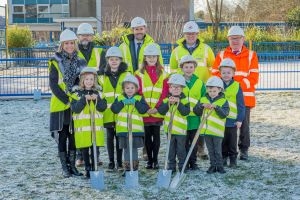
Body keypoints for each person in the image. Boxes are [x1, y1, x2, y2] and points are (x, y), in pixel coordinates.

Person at [211, 26, 259, 160]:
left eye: (238, 38)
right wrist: (229, 84)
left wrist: (234, 84)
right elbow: (214, 74)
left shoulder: (251, 55)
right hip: (224, 99)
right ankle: (225, 151)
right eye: (232, 39)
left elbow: (253, 78)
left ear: (243, 39)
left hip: (244, 99)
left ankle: (244, 150)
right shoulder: (221, 55)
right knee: (226, 127)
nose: (235, 41)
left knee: (244, 126)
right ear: (228, 39)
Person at [49, 29, 86, 178]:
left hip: (75, 103)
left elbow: (83, 80)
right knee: (63, 136)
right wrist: (67, 100)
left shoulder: (80, 60)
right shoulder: (55, 61)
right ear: (62, 45)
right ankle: (65, 168)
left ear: (75, 44)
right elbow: (53, 85)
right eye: (67, 43)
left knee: (74, 136)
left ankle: (73, 167)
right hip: (60, 104)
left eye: (72, 43)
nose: (70, 46)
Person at [76, 23, 107, 166]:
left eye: (88, 35)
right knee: (80, 125)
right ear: (78, 36)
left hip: (95, 90)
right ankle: (80, 156)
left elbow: (102, 70)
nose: (85, 37)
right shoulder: (74, 52)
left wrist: (89, 74)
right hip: (80, 90)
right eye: (82, 35)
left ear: (92, 36)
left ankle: (97, 155)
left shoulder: (99, 52)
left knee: (95, 125)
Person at [135, 43, 169, 169]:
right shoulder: (138, 74)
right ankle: (149, 160)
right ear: (144, 58)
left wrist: (157, 108)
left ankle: (156, 160)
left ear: (157, 57)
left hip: (157, 112)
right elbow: (137, 92)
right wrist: (146, 108)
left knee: (157, 137)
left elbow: (165, 93)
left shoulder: (164, 74)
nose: (151, 59)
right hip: (145, 112)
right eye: (149, 56)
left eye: (154, 56)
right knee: (147, 138)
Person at [98, 46, 131, 171]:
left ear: (121, 60)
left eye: (116, 59)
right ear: (107, 60)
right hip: (107, 112)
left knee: (119, 138)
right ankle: (111, 162)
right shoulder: (102, 76)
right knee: (110, 138)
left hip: (121, 112)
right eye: (111, 59)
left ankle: (119, 162)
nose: (114, 61)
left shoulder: (127, 75)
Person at [70, 67, 107, 178]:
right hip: (83, 129)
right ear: (82, 80)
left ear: (94, 80)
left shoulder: (99, 93)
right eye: (86, 79)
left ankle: (95, 166)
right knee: (85, 150)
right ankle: (87, 168)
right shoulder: (77, 94)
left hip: (95, 129)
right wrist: (84, 99)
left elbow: (103, 107)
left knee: (95, 149)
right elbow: (75, 109)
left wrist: (97, 100)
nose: (89, 82)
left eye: (91, 79)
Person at [111, 75, 149, 175]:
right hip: (123, 130)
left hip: (135, 130)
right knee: (126, 149)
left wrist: (135, 103)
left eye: (132, 88)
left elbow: (144, 110)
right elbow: (114, 109)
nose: (130, 90)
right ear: (123, 88)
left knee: (134, 149)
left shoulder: (139, 98)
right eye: (127, 88)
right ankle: (127, 169)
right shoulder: (119, 98)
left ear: (136, 88)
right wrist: (123, 103)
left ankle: (135, 169)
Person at [193, 76, 229, 174]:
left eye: (214, 91)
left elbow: (224, 114)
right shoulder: (203, 99)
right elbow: (196, 111)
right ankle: (212, 166)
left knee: (217, 150)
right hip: (206, 131)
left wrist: (216, 107)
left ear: (220, 90)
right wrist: (201, 106)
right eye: (210, 91)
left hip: (217, 131)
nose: (212, 93)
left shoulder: (223, 101)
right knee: (210, 150)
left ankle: (220, 166)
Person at [157, 74, 190, 173]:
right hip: (169, 130)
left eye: (178, 87)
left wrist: (178, 103)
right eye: (173, 87)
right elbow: (161, 112)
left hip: (180, 131)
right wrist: (169, 104)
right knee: (170, 150)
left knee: (181, 150)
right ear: (170, 88)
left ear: (182, 88)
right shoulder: (166, 100)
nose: (175, 89)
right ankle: (171, 166)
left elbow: (185, 112)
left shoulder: (185, 100)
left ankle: (182, 167)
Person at [180, 55, 206, 170]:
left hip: (195, 117)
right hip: (183, 118)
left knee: (194, 142)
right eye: (186, 67)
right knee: (184, 142)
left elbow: (204, 97)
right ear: (182, 68)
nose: (189, 69)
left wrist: (200, 108)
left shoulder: (199, 82)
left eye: (191, 67)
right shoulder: (178, 81)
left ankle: (193, 162)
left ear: (194, 68)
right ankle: (184, 162)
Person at [218, 58, 245, 168]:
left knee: (232, 142)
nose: (226, 75)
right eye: (223, 72)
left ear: (233, 73)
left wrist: (239, 119)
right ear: (220, 73)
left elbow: (241, 105)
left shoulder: (237, 86)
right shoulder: (217, 85)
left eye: (229, 72)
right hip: (220, 120)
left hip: (232, 121)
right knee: (222, 141)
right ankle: (223, 158)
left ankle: (233, 160)